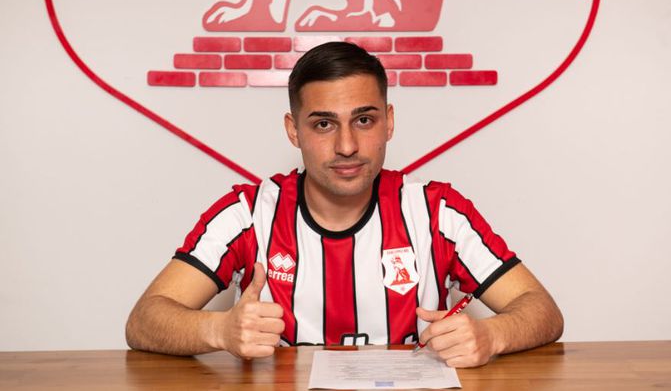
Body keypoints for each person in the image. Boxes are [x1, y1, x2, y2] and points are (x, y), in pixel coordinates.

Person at [125, 42, 563, 368]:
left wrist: (491, 335)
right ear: (293, 131)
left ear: (389, 122)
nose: (347, 145)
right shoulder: (248, 212)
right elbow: (144, 320)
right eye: (323, 124)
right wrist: (218, 329)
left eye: (364, 120)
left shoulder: (436, 211)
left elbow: (542, 310)